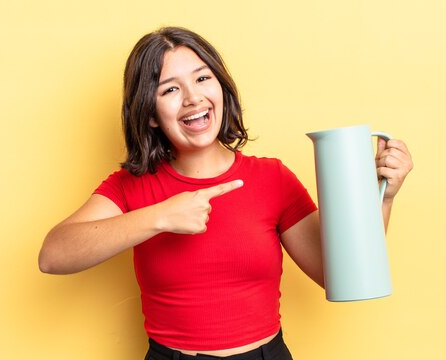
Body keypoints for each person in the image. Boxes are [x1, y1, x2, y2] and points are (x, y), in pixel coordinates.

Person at [38, 27, 413, 360]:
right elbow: (53, 255)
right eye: (170, 88)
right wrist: (160, 216)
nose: (192, 97)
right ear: (150, 114)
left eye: (202, 78)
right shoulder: (133, 186)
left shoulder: (272, 178)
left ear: (221, 87)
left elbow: (340, 274)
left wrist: (383, 197)